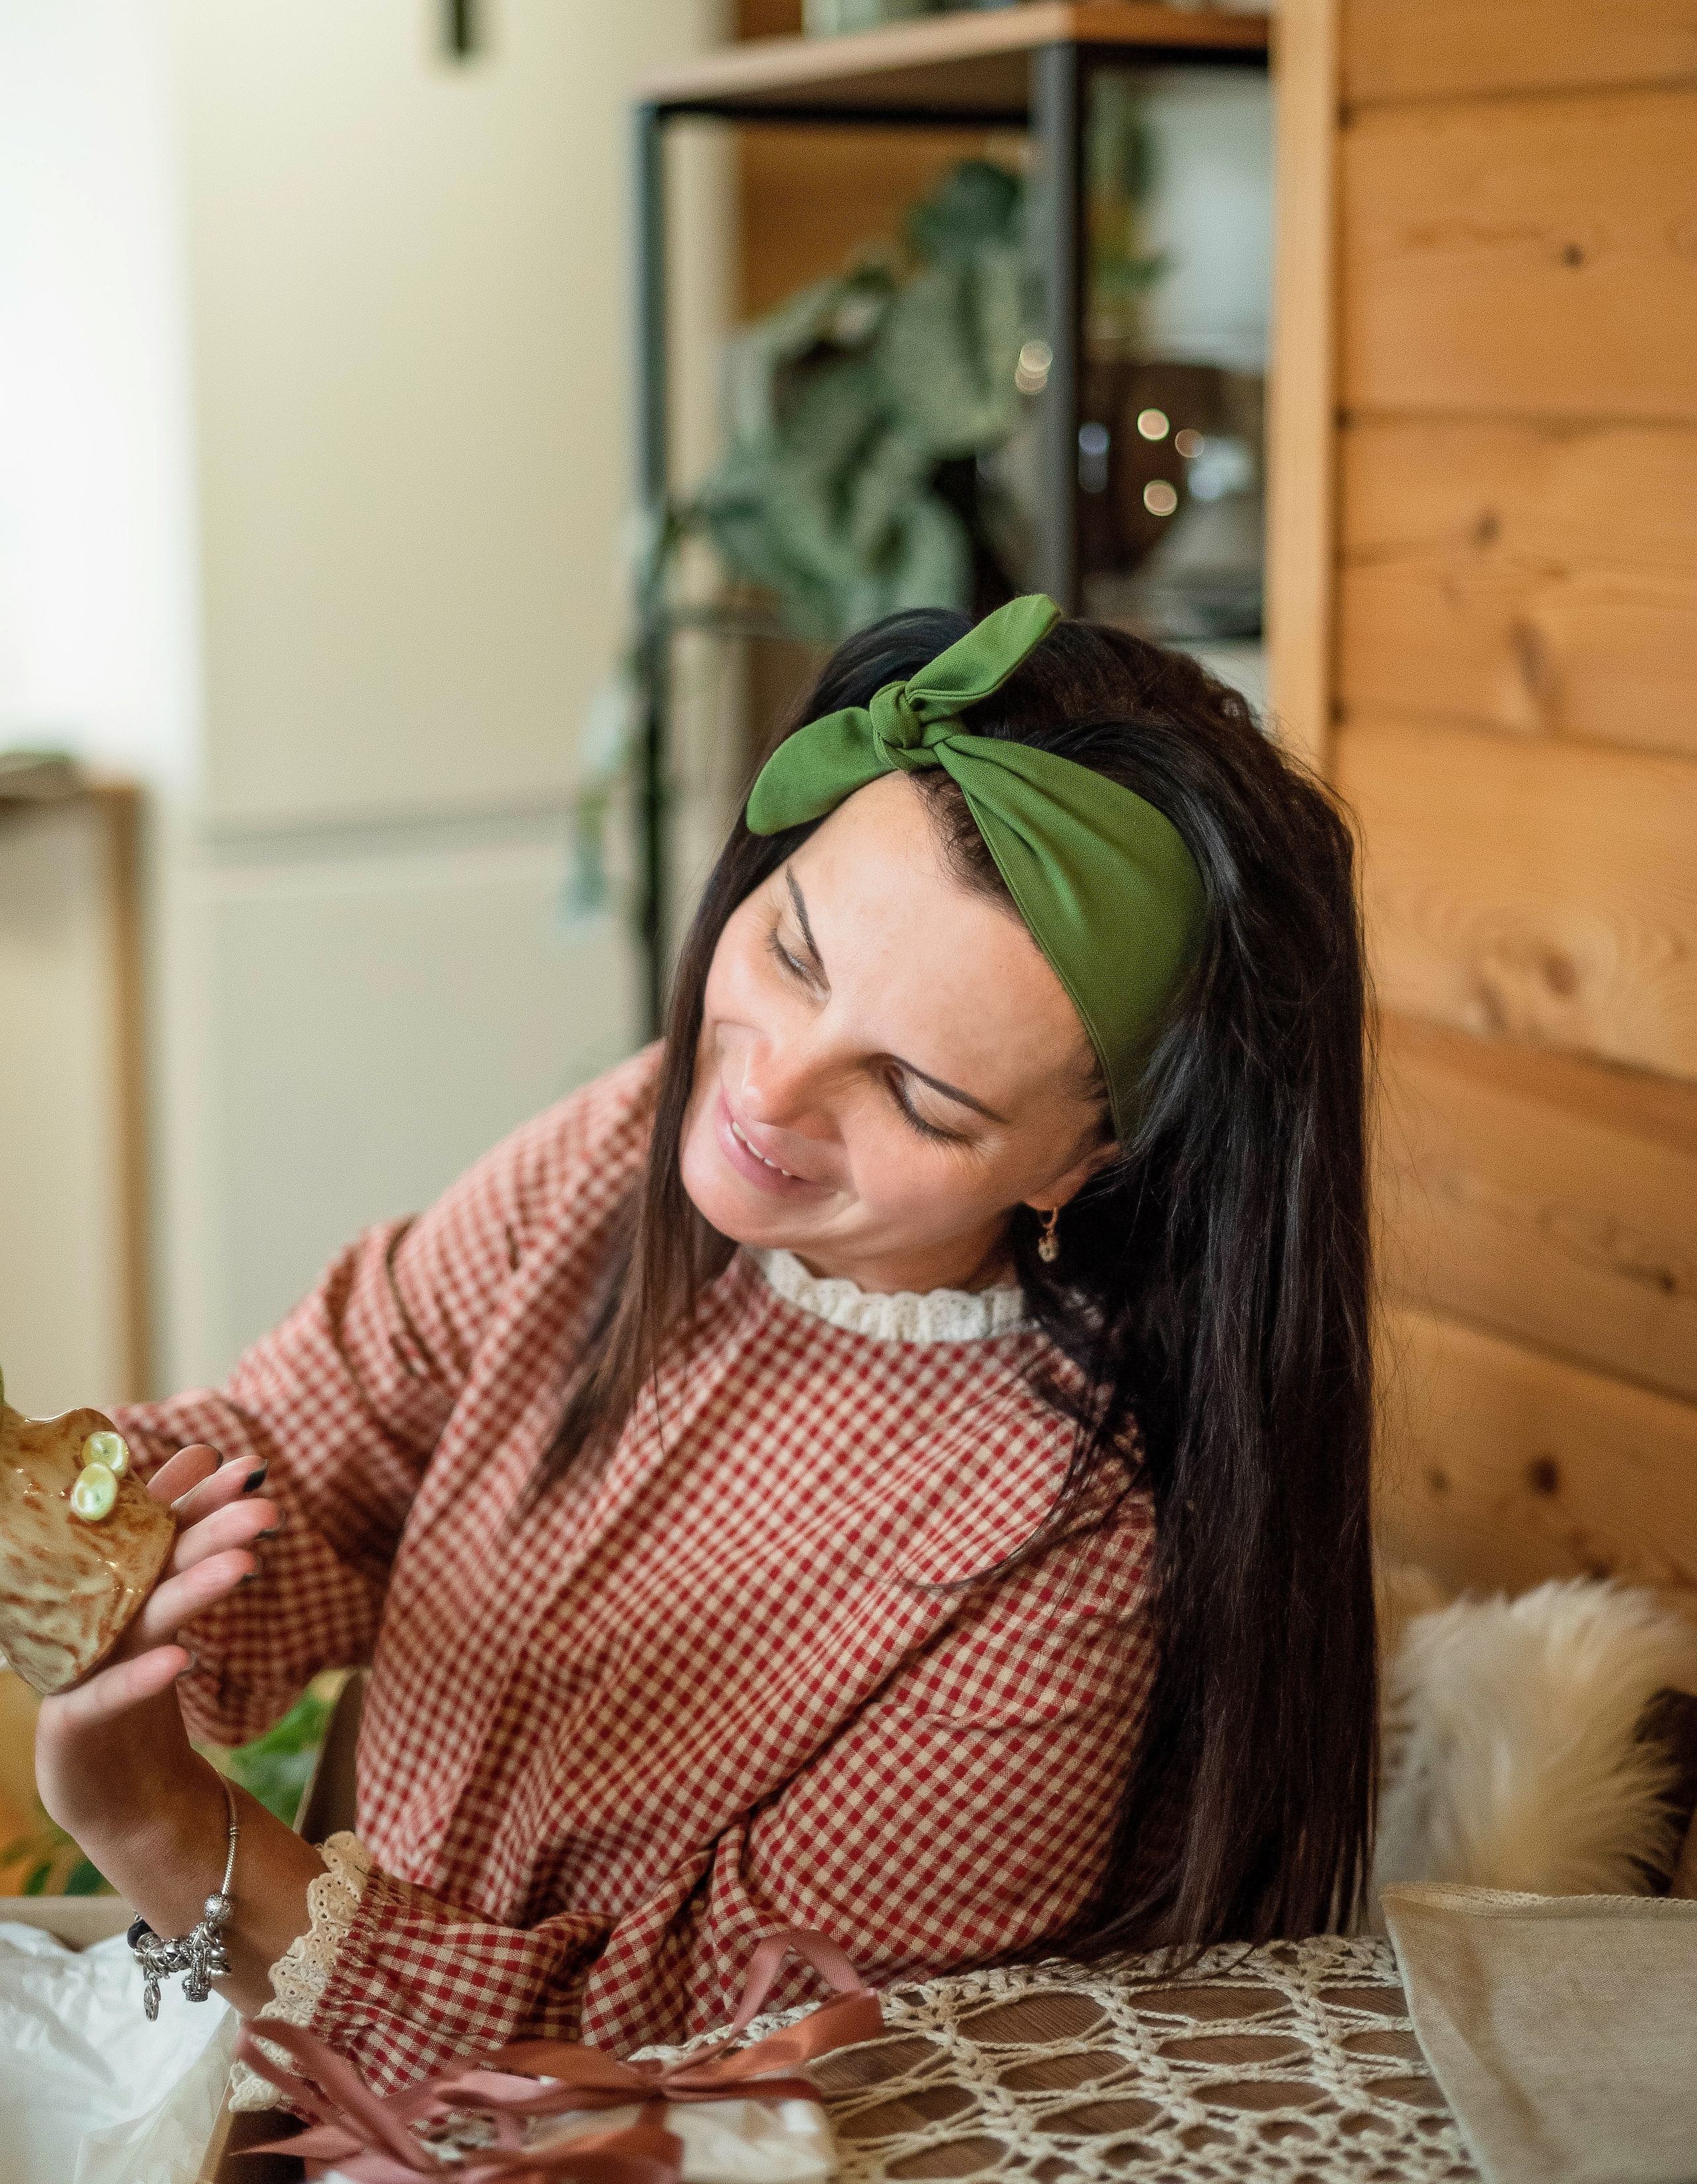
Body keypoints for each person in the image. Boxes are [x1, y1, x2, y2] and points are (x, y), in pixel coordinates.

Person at [34, 597, 1377, 2104]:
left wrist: (163, 1825)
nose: (768, 1088)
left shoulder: (1076, 1556)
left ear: (1091, 1159)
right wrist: (100, 1545)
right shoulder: (629, 1144)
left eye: (921, 1097)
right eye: (793, 948)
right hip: (310, 2068)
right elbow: (310, 1445)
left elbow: (676, 2070)